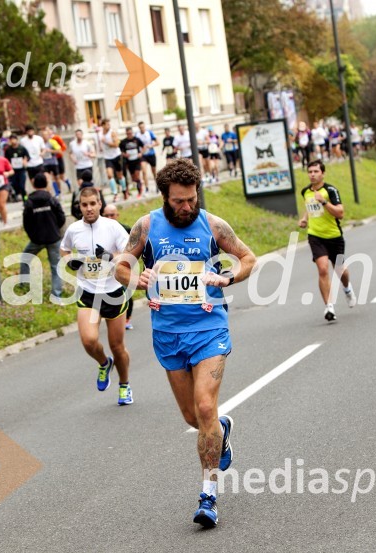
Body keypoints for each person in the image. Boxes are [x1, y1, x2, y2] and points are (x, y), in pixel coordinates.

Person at [114, 158, 257, 528]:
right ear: (165, 196)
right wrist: (137, 279)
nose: (186, 207)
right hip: (168, 334)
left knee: (205, 406)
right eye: (179, 201)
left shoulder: (212, 225)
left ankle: (208, 495)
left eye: (191, 199)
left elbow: (247, 257)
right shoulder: (146, 226)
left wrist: (229, 279)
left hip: (209, 328)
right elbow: (120, 265)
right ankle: (221, 431)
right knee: (194, 418)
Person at [60, 187, 133, 405]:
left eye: (93, 203)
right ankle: (103, 363)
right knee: (89, 341)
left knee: (117, 346)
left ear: (99, 204)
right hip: (88, 293)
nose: (89, 208)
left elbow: (130, 252)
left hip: (113, 293)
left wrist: (110, 256)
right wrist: (68, 261)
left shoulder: (112, 227)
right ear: (79, 207)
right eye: (84, 205)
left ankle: (124, 385)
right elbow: (63, 249)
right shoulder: (73, 230)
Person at [298, 160, 357, 322]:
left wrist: (324, 202)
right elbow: (309, 207)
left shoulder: (330, 190)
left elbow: (340, 213)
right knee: (323, 269)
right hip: (315, 236)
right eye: (310, 171)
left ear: (322, 173)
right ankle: (329, 306)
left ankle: (347, 288)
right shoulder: (305, 192)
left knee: (340, 270)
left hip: (334, 236)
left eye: (316, 171)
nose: (312, 174)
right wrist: (304, 219)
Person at [21, 174, 65, 300]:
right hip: (54, 238)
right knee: (56, 266)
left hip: (37, 240)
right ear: (46, 183)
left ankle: (24, 286)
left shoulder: (29, 202)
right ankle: (57, 295)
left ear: (34, 184)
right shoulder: (52, 199)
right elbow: (61, 217)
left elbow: (26, 223)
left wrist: (33, 236)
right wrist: (55, 230)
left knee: (25, 258)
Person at [103, 203, 134, 330]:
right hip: (104, 269)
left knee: (126, 292)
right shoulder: (99, 230)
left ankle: (127, 319)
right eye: (107, 215)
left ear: (117, 215)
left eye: (112, 215)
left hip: (122, 266)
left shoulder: (126, 229)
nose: (110, 218)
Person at [99, 119, 127, 201]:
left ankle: (124, 191)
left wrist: (106, 142)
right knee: (110, 175)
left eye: (109, 124)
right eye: (107, 124)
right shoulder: (100, 134)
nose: (109, 125)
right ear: (103, 125)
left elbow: (116, 144)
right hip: (107, 157)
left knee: (120, 176)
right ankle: (115, 194)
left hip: (116, 156)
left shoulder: (112, 133)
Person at [120, 127, 145, 197]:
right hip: (129, 162)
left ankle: (140, 191)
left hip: (137, 160)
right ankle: (140, 182)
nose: (129, 134)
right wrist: (124, 154)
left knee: (137, 175)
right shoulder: (123, 141)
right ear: (126, 133)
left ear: (132, 133)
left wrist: (141, 153)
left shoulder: (137, 140)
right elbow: (120, 151)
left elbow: (143, 147)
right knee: (133, 178)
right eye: (128, 133)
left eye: (130, 133)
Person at [4, 134, 30, 203]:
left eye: (14, 139)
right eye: (11, 139)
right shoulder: (8, 150)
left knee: (22, 186)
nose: (13, 141)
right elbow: (6, 160)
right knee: (15, 185)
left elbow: (28, 157)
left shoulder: (22, 148)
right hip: (13, 171)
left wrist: (25, 160)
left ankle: (25, 200)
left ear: (17, 140)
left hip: (21, 170)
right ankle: (17, 195)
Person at [136, 121, 159, 191]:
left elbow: (158, 143)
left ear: (144, 127)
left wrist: (151, 145)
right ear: (139, 128)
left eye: (143, 127)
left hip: (151, 154)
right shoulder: (137, 135)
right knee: (144, 171)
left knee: (154, 171)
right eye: (140, 128)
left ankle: (157, 186)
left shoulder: (149, 133)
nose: (142, 129)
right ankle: (147, 188)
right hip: (143, 156)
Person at [50, 127, 72, 194]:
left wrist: (59, 152)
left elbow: (63, 146)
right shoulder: (45, 140)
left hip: (58, 158)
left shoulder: (56, 138)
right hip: (51, 160)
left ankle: (69, 185)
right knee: (53, 177)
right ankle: (57, 192)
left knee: (61, 177)